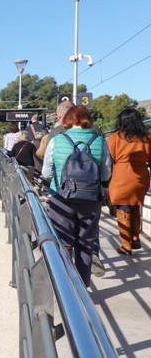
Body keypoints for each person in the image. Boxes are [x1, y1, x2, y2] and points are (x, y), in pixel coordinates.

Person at [41, 106, 112, 287]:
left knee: (63, 243)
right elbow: (106, 174)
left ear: (67, 119)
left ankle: (65, 286)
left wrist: (50, 187)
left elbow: (46, 172)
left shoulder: (57, 140)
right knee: (85, 244)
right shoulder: (100, 141)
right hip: (91, 200)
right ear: (88, 119)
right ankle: (83, 287)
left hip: (61, 198)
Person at [106, 108, 151, 256]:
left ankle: (126, 245)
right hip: (141, 177)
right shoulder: (147, 138)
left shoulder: (115, 137)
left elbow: (109, 159)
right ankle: (135, 237)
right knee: (135, 205)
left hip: (121, 176)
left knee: (123, 207)